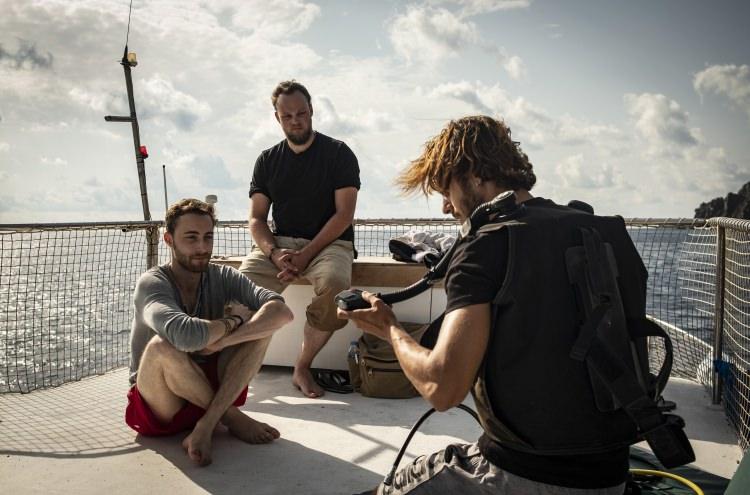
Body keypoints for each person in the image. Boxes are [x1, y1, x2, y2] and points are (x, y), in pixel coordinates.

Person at [339, 116, 646, 494]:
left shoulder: (485, 244)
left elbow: (442, 389)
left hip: (525, 474)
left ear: (474, 175)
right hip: (610, 474)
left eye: (446, 189)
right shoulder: (603, 230)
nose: (446, 207)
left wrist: (389, 328)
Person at [126, 198, 294, 466]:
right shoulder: (152, 283)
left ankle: (206, 424)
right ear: (169, 240)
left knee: (262, 327)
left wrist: (224, 341)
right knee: (161, 346)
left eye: (208, 237)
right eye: (191, 238)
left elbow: (282, 312)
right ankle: (231, 417)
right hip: (162, 402)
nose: (202, 247)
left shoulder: (222, 275)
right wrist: (232, 322)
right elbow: (185, 337)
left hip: (209, 390)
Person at [239, 80, 360, 398]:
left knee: (335, 285)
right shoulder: (267, 160)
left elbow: (344, 214)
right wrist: (273, 253)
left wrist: (306, 254)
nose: (296, 121)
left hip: (330, 244)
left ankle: (302, 367)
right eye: (287, 116)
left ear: (311, 111)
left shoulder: (339, 153)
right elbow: (256, 219)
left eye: (301, 113)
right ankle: (232, 370)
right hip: (279, 245)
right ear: (277, 118)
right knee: (236, 290)